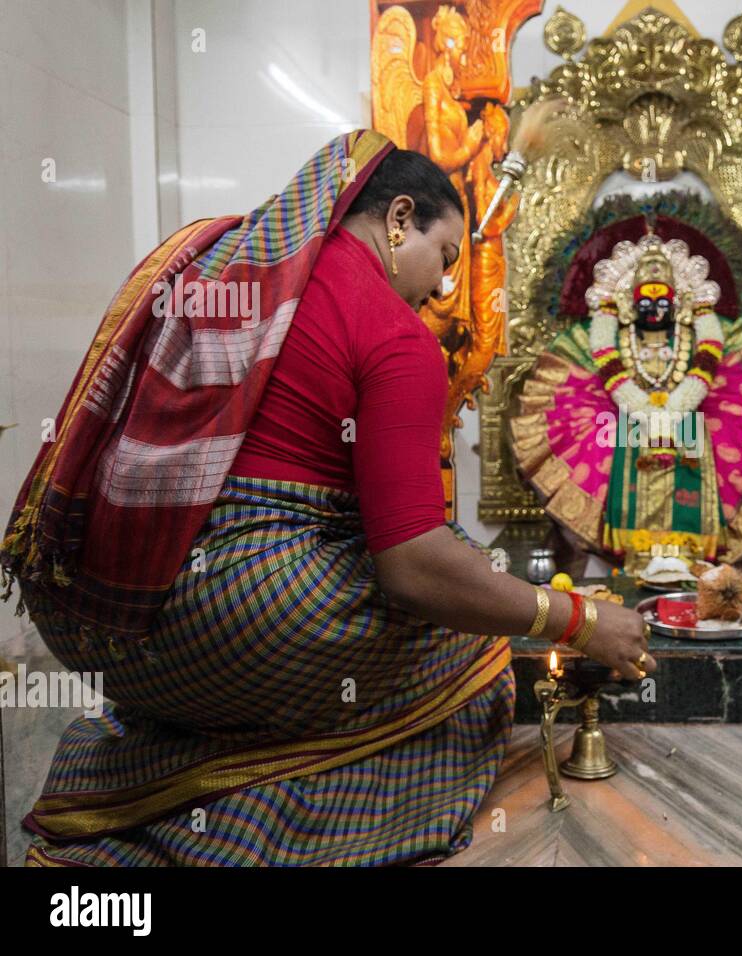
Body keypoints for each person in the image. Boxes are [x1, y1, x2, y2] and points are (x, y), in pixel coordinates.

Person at [0, 130, 655, 867]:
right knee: (472, 635)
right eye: (443, 258)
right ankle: (272, 818)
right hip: (230, 617)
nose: (441, 288)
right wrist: (577, 618)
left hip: (100, 620)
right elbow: (413, 566)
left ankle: (143, 778)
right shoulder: (395, 335)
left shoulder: (237, 276)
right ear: (398, 217)